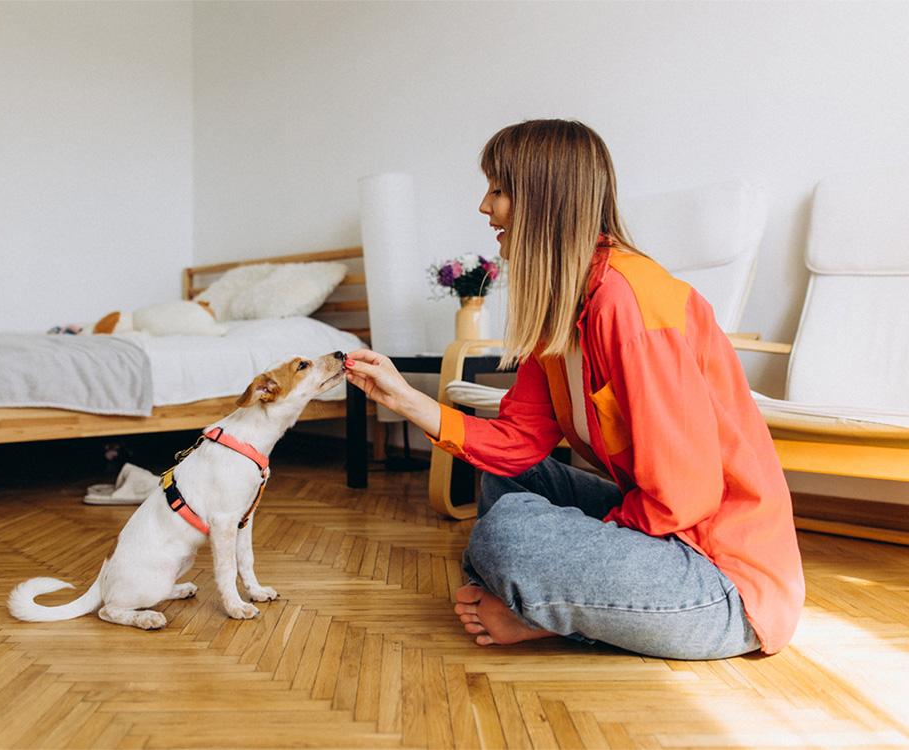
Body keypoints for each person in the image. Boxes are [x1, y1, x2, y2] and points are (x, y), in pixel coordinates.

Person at [344, 119, 804, 660]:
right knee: (511, 479)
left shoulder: (630, 305)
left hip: (721, 583)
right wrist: (406, 399)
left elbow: (688, 495)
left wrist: (590, 540)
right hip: (664, 535)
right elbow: (518, 443)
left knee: (510, 532)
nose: (484, 207)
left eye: (497, 189)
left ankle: (541, 605)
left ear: (544, 199)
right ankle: (547, 600)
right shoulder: (561, 309)